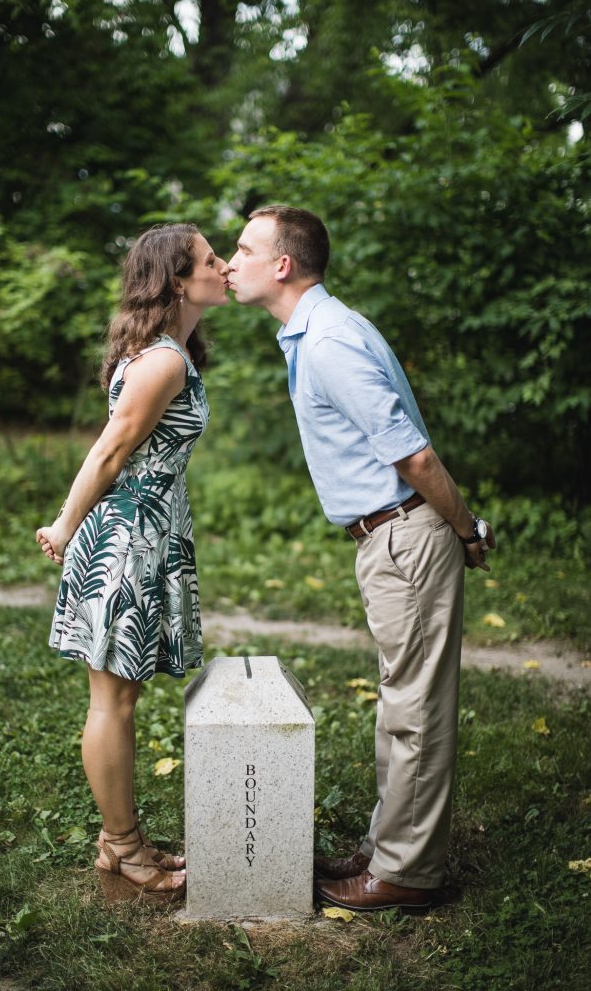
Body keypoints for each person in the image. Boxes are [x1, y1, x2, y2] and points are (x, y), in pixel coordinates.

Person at [226, 205, 496, 912]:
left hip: (404, 531)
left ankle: (406, 875)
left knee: (414, 707)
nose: (230, 261)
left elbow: (412, 453)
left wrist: (466, 531)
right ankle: (387, 846)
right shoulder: (320, 330)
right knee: (398, 699)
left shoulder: (329, 343)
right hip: (388, 534)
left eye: (243, 248)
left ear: (281, 264)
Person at [36, 223, 229, 905]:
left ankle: (120, 839)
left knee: (120, 696)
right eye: (211, 259)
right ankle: (120, 845)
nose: (224, 265)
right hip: (125, 544)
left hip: (145, 537)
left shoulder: (169, 352)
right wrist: (65, 524)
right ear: (178, 280)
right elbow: (110, 451)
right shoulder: (162, 362)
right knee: (113, 699)